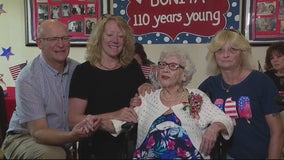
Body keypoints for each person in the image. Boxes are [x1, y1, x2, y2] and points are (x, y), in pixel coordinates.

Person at [109, 46, 234, 159]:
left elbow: (226, 120)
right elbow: (118, 124)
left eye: (173, 66)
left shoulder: (195, 97)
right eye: (162, 65)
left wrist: (214, 128)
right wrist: (95, 121)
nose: (165, 69)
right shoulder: (147, 97)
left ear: (184, 75)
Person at [1, 19, 101, 159]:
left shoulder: (78, 70)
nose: (61, 44)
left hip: (64, 140)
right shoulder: (28, 78)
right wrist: (72, 136)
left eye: (65, 38)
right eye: (53, 39)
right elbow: (39, 132)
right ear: (40, 43)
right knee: (54, 155)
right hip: (24, 137)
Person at [68, 14, 151, 159]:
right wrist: (114, 115)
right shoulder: (84, 71)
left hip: (130, 146)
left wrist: (146, 87)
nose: (115, 40)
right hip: (95, 148)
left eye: (120, 36)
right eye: (110, 34)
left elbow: (145, 103)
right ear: (99, 37)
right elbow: (73, 120)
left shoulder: (132, 67)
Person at [198, 29, 284, 159]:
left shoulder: (261, 81)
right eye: (220, 50)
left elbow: (277, 131)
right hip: (226, 155)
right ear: (214, 55)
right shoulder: (209, 85)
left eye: (233, 50)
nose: (225, 55)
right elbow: (189, 112)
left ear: (242, 53)